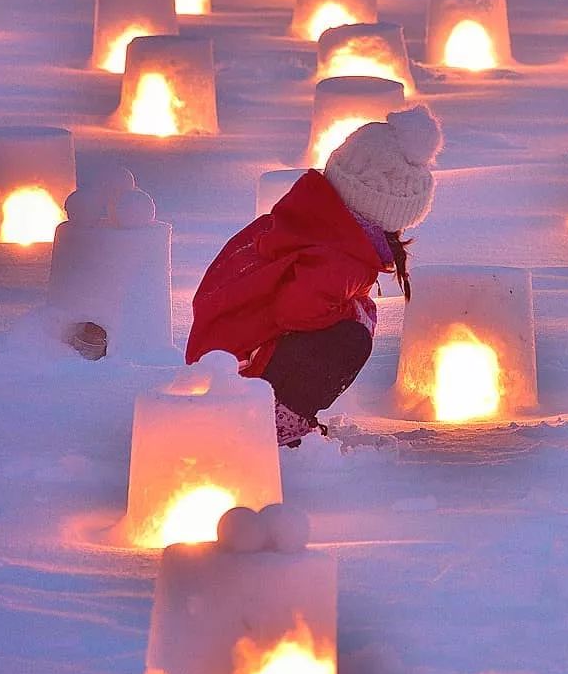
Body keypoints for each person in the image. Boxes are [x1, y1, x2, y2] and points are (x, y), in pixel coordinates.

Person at [185, 104, 442, 446]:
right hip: (240, 373)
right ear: (392, 210)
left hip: (218, 360)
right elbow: (296, 310)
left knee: (342, 326)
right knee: (349, 339)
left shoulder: (304, 220)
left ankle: (271, 408)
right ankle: (277, 420)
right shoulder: (341, 258)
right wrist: (355, 312)